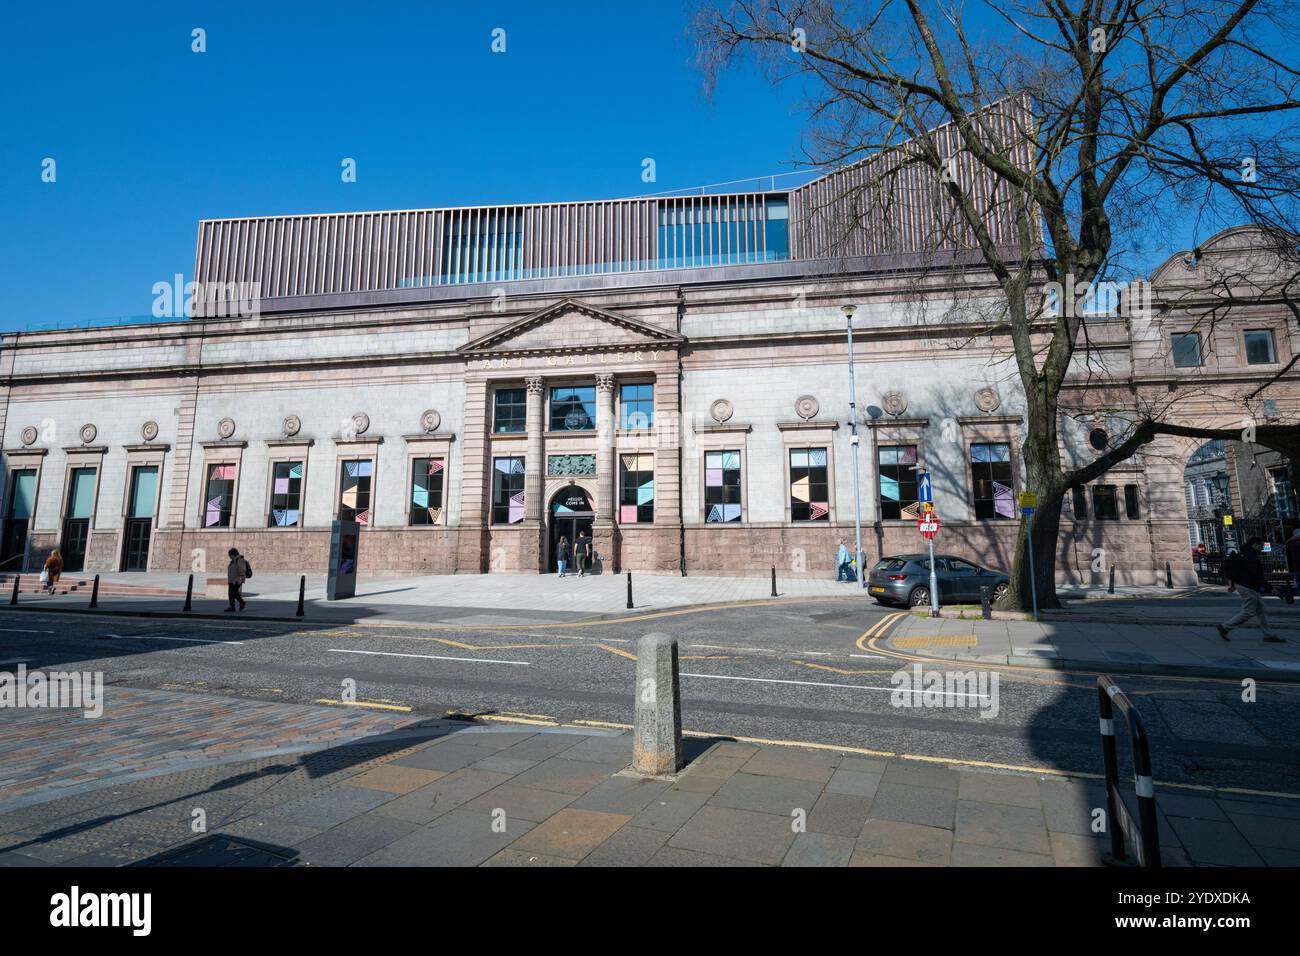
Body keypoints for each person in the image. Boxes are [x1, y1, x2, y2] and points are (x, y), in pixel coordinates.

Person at [1217, 537, 1284, 643]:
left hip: (1246, 585)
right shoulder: (1251, 556)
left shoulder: (1245, 553)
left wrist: (1233, 584)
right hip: (1247, 587)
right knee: (1248, 612)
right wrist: (1271, 588)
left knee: (1261, 610)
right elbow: (1257, 575)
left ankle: (1268, 635)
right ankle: (1225, 627)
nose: (1261, 547)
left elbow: (1240, 571)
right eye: (1260, 545)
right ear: (1254, 545)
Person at [225, 547, 250, 612]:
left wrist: (240, 578)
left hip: (237, 580)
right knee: (231, 594)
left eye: (230, 555)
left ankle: (242, 602)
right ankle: (232, 607)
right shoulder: (233, 561)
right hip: (231, 580)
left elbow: (242, 570)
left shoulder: (240, 560)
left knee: (234, 593)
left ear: (233, 555)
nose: (229, 557)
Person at [1287, 528, 1300, 596]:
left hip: (1297, 568)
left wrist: (1292, 538)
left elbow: (1287, 544)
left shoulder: (1292, 543)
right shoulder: (1294, 544)